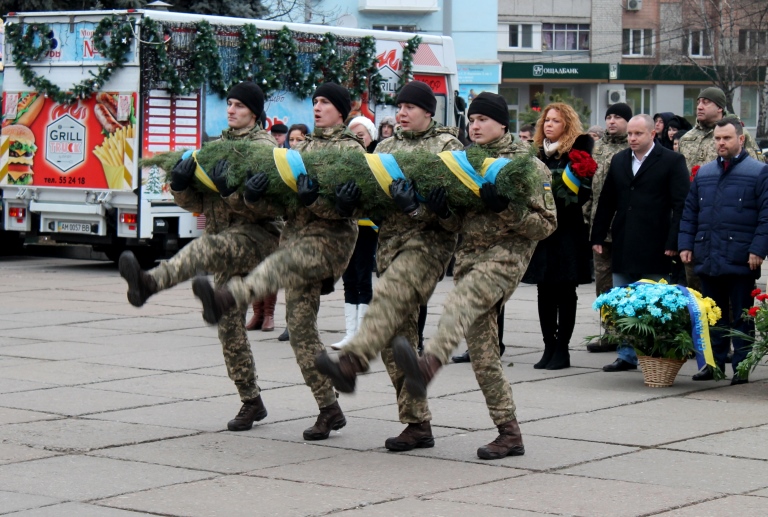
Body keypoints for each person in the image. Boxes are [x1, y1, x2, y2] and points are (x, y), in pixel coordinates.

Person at [191, 82, 366, 441]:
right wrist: (251, 196)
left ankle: (326, 407)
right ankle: (287, 404)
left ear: (342, 110)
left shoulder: (351, 150)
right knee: (294, 330)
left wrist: (317, 200)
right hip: (291, 242)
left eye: (325, 102)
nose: (317, 107)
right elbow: (282, 206)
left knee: (294, 322)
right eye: (315, 101)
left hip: (321, 247)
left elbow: (350, 210)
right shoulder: (300, 150)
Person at [391, 92, 557, 459]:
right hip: (469, 262)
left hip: (504, 261)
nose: (475, 126)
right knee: (483, 355)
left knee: (460, 302)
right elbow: (456, 224)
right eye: (472, 120)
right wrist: (437, 210)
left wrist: (506, 208)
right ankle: (509, 432)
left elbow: (546, 225)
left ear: (502, 123)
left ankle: (428, 364)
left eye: (483, 119)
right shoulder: (463, 162)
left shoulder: (527, 165)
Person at [119, 81, 279, 432]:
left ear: (254, 112)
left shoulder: (265, 150)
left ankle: (149, 283)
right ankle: (251, 401)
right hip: (226, 243)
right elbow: (201, 204)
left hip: (257, 239)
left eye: (239, 105)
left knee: (203, 249)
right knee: (228, 326)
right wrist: (180, 187)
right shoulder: (216, 148)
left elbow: (270, 208)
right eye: (229, 103)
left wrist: (231, 192)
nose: (231, 109)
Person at [315, 80, 464, 452]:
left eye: (410, 107)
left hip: (428, 248)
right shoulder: (385, 147)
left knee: (388, 296)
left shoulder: (447, 148)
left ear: (428, 111)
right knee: (397, 344)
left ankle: (351, 363)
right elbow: (372, 202)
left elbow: (457, 216)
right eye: (399, 107)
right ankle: (418, 424)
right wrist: (350, 203)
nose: (402, 113)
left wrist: (420, 207)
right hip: (391, 249)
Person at [591, 114, 690, 372]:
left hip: (656, 243)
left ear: (652, 134)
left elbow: (681, 204)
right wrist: (598, 235)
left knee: (654, 303)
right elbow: (607, 199)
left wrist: (674, 241)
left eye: (638, 134)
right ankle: (626, 354)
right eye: (630, 134)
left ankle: (655, 354)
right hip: (624, 240)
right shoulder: (620, 160)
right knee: (624, 300)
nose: (632, 138)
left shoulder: (671, 160)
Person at [679, 118, 768, 384]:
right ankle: (712, 365)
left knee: (742, 316)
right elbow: (690, 212)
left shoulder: (758, 172)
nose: (721, 143)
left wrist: (758, 249)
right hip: (709, 254)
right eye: (717, 138)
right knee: (712, 315)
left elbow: (766, 216)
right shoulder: (705, 173)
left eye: (726, 138)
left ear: (740, 139)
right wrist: (686, 244)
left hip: (742, 257)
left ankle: (741, 366)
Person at [522, 103, 593, 370]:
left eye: (556, 121)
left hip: (567, 231)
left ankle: (562, 349)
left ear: (567, 126)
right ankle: (548, 346)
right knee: (544, 290)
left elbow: (581, 195)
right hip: (543, 231)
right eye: (547, 120)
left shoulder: (576, 154)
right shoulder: (537, 154)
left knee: (565, 290)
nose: (549, 124)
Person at [678, 87, 763, 292]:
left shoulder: (739, 134)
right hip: (702, 224)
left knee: (734, 299)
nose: (700, 106)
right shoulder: (688, 138)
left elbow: (753, 176)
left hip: (734, 228)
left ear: (720, 108)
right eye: (698, 102)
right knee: (699, 295)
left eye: (706, 102)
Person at [584, 103, 632, 353]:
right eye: (609, 117)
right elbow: (587, 187)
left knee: (628, 284)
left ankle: (630, 335)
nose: (612, 121)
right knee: (603, 284)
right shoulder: (597, 148)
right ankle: (610, 332)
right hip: (600, 227)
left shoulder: (633, 148)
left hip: (626, 227)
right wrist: (587, 218)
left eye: (618, 117)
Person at [331, 116, 379, 350]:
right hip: (346, 227)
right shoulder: (343, 161)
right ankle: (350, 333)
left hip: (367, 228)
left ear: (371, 136)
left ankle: (363, 334)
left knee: (363, 278)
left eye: (361, 135)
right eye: (352, 136)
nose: (357, 140)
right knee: (349, 279)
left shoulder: (375, 160)